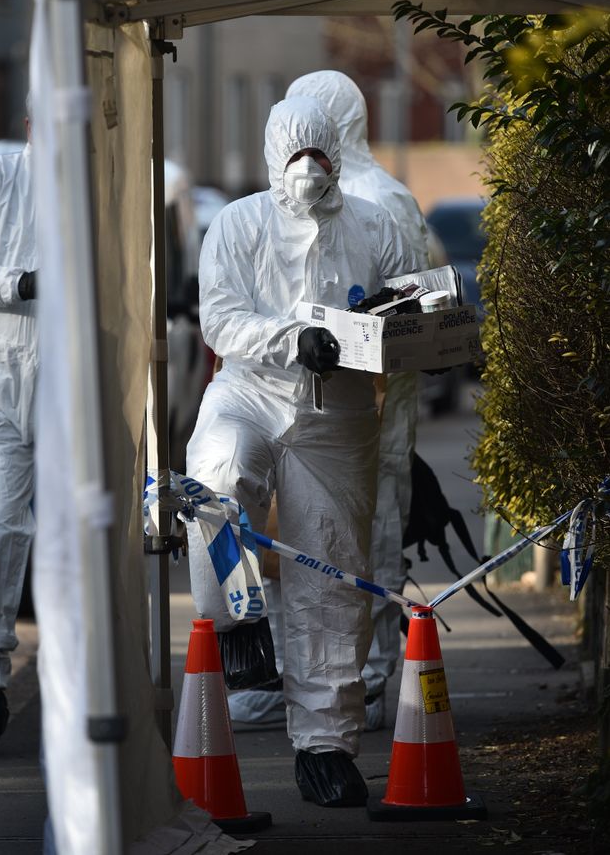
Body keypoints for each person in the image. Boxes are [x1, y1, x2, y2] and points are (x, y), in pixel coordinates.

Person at [185, 95, 419, 806]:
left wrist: (414, 335)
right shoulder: (238, 223)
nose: (307, 171)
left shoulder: (373, 225)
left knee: (333, 576)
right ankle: (237, 623)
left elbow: (404, 305)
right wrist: (291, 338)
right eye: (295, 157)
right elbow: (222, 318)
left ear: (336, 156)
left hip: (337, 411)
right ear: (272, 155)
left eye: (318, 157)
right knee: (218, 477)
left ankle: (325, 745)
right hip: (252, 390)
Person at [229, 71, 430, 733]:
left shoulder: (378, 204)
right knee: (302, 547)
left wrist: (357, 340)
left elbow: (414, 312)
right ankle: (314, 681)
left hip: (362, 406)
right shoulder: (268, 214)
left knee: (354, 545)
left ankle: (366, 683)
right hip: (311, 403)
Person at [0, 113, 37, 750]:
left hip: (75, 385)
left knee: (87, 534)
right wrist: (17, 282)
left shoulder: (102, 188)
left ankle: (98, 674)